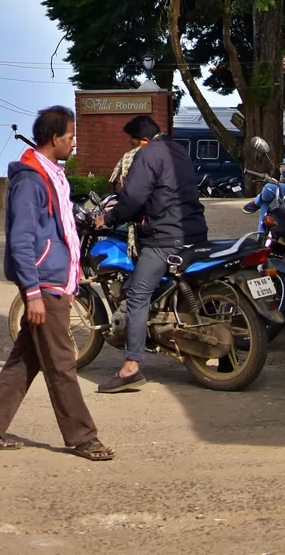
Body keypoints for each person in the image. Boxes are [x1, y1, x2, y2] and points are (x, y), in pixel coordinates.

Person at [0, 106, 113, 459]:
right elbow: (22, 239)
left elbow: (60, 228)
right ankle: (83, 436)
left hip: (55, 280)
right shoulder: (31, 180)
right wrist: (31, 293)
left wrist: (73, 267)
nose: (74, 143)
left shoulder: (52, 174)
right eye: (71, 137)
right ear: (54, 139)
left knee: (28, 358)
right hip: (43, 284)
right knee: (62, 363)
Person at [94, 113, 207, 393]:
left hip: (165, 238)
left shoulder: (147, 154)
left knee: (137, 295)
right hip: (194, 232)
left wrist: (107, 219)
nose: (131, 149)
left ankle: (131, 367)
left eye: (132, 143)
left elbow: (132, 198)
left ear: (143, 140)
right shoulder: (178, 150)